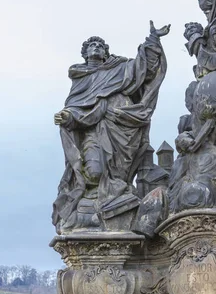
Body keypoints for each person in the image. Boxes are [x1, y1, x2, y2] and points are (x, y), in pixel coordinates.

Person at [52, 21, 170, 232]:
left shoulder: (119, 69)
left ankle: (112, 204)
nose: (96, 47)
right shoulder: (81, 77)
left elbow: (144, 69)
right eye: (92, 45)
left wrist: (153, 40)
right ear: (85, 53)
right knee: (94, 172)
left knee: (119, 172)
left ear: (106, 52)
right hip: (93, 132)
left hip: (123, 127)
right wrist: (67, 117)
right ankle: (92, 205)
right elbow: (76, 108)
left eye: (100, 45)